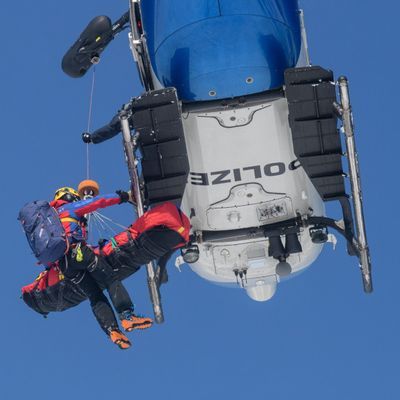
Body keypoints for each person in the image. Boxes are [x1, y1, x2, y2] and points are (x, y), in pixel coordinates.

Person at [50, 186, 152, 350]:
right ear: (69, 197)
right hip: (78, 253)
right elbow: (98, 202)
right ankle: (127, 315)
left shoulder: (51, 221)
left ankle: (112, 330)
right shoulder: (67, 208)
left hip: (64, 266)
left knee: (94, 294)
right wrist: (124, 196)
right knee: (110, 278)